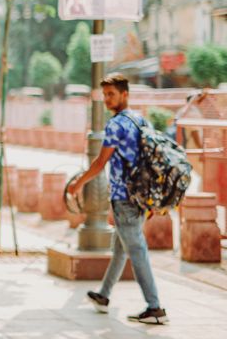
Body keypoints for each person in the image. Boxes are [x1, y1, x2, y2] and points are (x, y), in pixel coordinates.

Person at [68, 73, 168, 324]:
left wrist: (78, 183)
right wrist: (150, 200)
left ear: (125, 94)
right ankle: (103, 295)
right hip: (140, 197)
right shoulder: (140, 120)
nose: (107, 99)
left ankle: (154, 307)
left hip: (124, 198)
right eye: (105, 95)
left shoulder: (115, 125)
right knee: (120, 249)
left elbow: (101, 162)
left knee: (136, 251)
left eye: (111, 94)